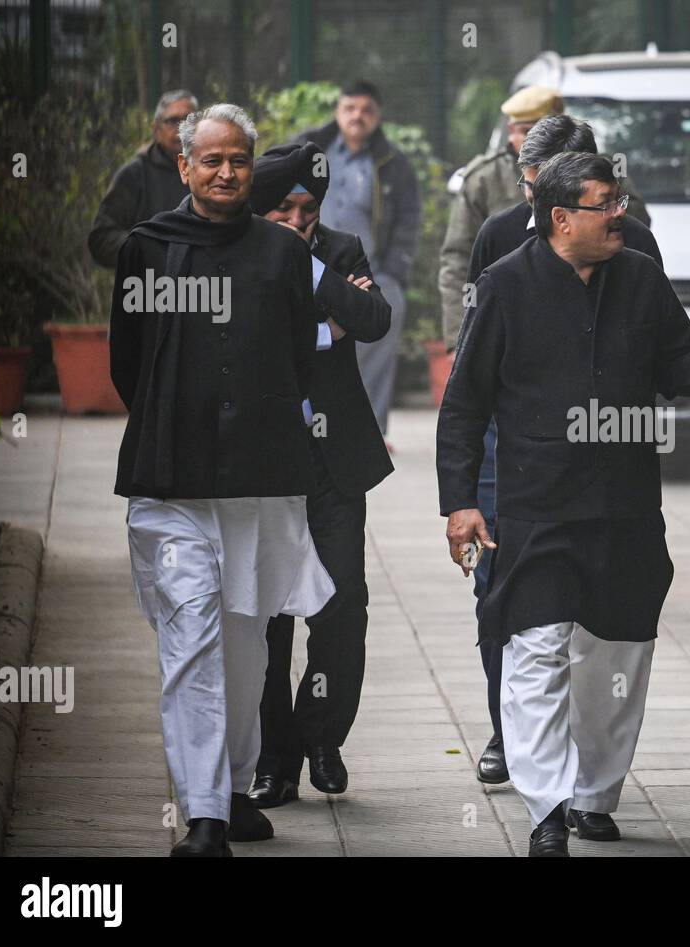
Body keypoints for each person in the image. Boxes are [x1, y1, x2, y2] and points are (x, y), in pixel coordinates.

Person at [436, 151, 690, 856]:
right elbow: (465, 402)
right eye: (604, 204)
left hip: (624, 506)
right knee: (535, 649)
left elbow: (674, 363)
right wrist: (461, 500)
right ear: (561, 218)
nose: (619, 214)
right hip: (538, 505)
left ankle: (594, 792)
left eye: (618, 200)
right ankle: (544, 808)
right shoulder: (504, 286)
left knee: (617, 655)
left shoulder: (641, 278)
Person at [109, 104, 335, 856]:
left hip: (261, 482)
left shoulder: (280, 252)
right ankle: (203, 812)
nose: (227, 172)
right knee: (193, 636)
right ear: (184, 166)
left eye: (238, 159)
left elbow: (300, 356)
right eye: (211, 160)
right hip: (172, 480)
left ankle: (233, 787)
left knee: (247, 643)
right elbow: (128, 361)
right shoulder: (148, 249)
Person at [460, 114, 664, 788]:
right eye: (526, 178)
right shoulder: (499, 249)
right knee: (517, 611)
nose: (528, 190)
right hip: (521, 466)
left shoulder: (631, 247)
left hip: (615, 484)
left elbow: (660, 350)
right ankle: (513, 743)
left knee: (607, 641)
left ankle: (588, 783)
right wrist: (462, 496)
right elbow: (472, 376)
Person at [244, 143, 394, 809]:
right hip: (266, 464)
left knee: (343, 609)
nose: (300, 217)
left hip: (336, 463)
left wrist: (304, 265)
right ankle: (274, 759)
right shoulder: (237, 250)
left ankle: (322, 735)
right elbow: (251, 343)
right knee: (271, 617)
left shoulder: (338, 248)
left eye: (309, 207)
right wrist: (326, 327)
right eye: (285, 208)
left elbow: (373, 318)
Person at [296, 80, 421, 439]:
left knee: (390, 306)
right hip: (309, 265)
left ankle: (370, 430)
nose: (357, 116)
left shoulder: (392, 163)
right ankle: (305, 422)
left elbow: (409, 221)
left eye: (366, 110)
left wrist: (394, 272)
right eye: (350, 108)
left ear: (377, 116)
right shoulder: (308, 149)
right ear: (338, 111)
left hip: (368, 270)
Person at [438, 86, 564, 351]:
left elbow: (631, 220)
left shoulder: (595, 170)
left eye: (537, 132)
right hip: (505, 318)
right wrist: (459, 339)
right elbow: (457, 258)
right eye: (523, 132)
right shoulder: (484, 177)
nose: (529, 141)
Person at [88, 89, 197, 268]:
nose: (183, 127)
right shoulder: (134, 175)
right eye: (173, 121)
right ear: (156, 129)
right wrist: (147, 249)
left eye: (190, 120)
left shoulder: (213, 169)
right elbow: (101, 238)